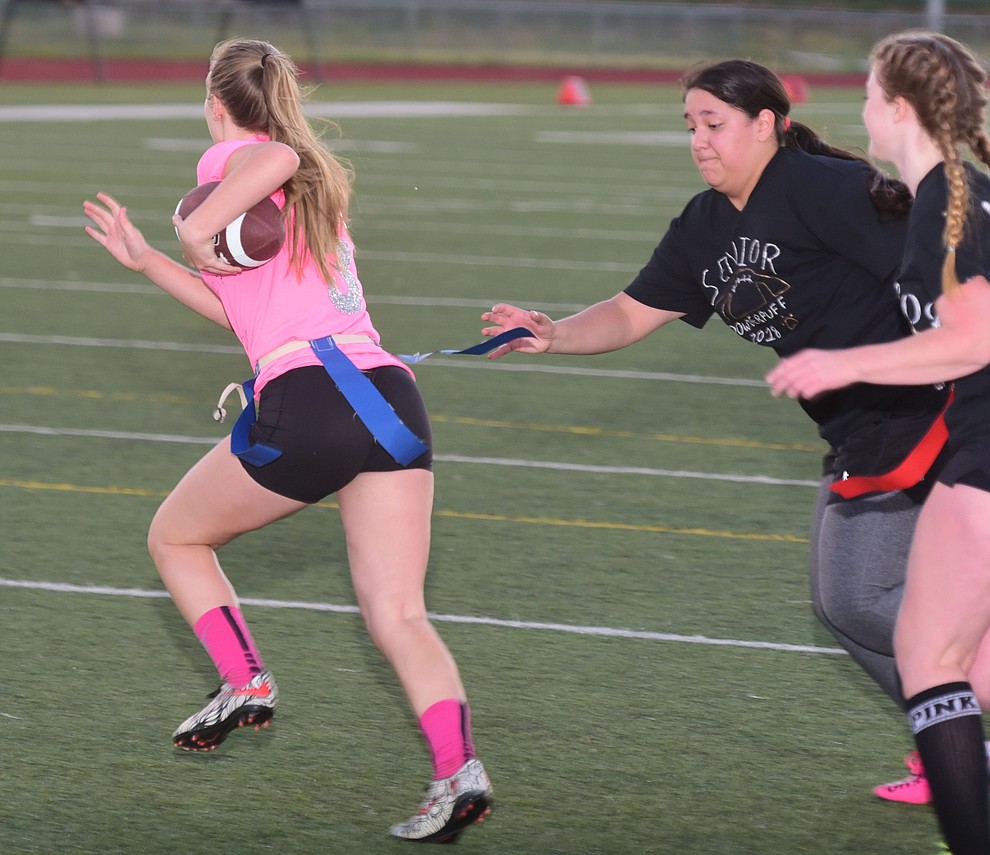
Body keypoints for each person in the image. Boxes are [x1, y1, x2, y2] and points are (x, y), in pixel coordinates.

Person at [480, 58, 954, 801]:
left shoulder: (814, 187)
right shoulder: (704, 224)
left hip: (923, 408)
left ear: (767, 124)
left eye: (715, 123)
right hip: (859, 426)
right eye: (690, 126)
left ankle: (954, 736)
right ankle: (949, 737)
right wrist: (555, 333)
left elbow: (936, 263)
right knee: (852, 601)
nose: (699, 140)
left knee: (858, 594)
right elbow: (635, 310)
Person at [82, 38, 492, 845]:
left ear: (214, 100)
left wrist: (194, 225)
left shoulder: (246, 156)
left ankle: (245, 680)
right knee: (400, 612)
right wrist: (153, 264)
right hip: (389, 397)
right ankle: (460, 772)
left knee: (175, 534)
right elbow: (246, 312)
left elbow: (260, 158)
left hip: (314, 398)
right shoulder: (314, 181)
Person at [767, 31, 990, 855]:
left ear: (899, 109)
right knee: (974, 665)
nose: (860, 110)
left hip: (984, 450)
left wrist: (841, 359)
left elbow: (972, 341)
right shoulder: (970, 190)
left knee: (927, 657)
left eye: (867, 95)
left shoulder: (945, 199)